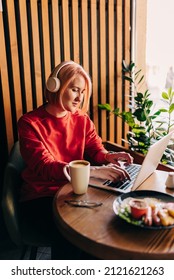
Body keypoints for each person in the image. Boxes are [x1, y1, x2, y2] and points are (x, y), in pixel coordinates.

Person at [18, 60, 133, 259]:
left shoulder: (82, 119)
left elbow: (95, 148)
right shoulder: (29, 123)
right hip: (41, 198)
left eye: (83, 92)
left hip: (75, 191)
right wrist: (92, 172)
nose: (80, 97)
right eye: (74, 89)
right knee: (72, 236)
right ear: (55, 86)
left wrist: (108, 156)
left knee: (101, 230)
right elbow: (45, 166)